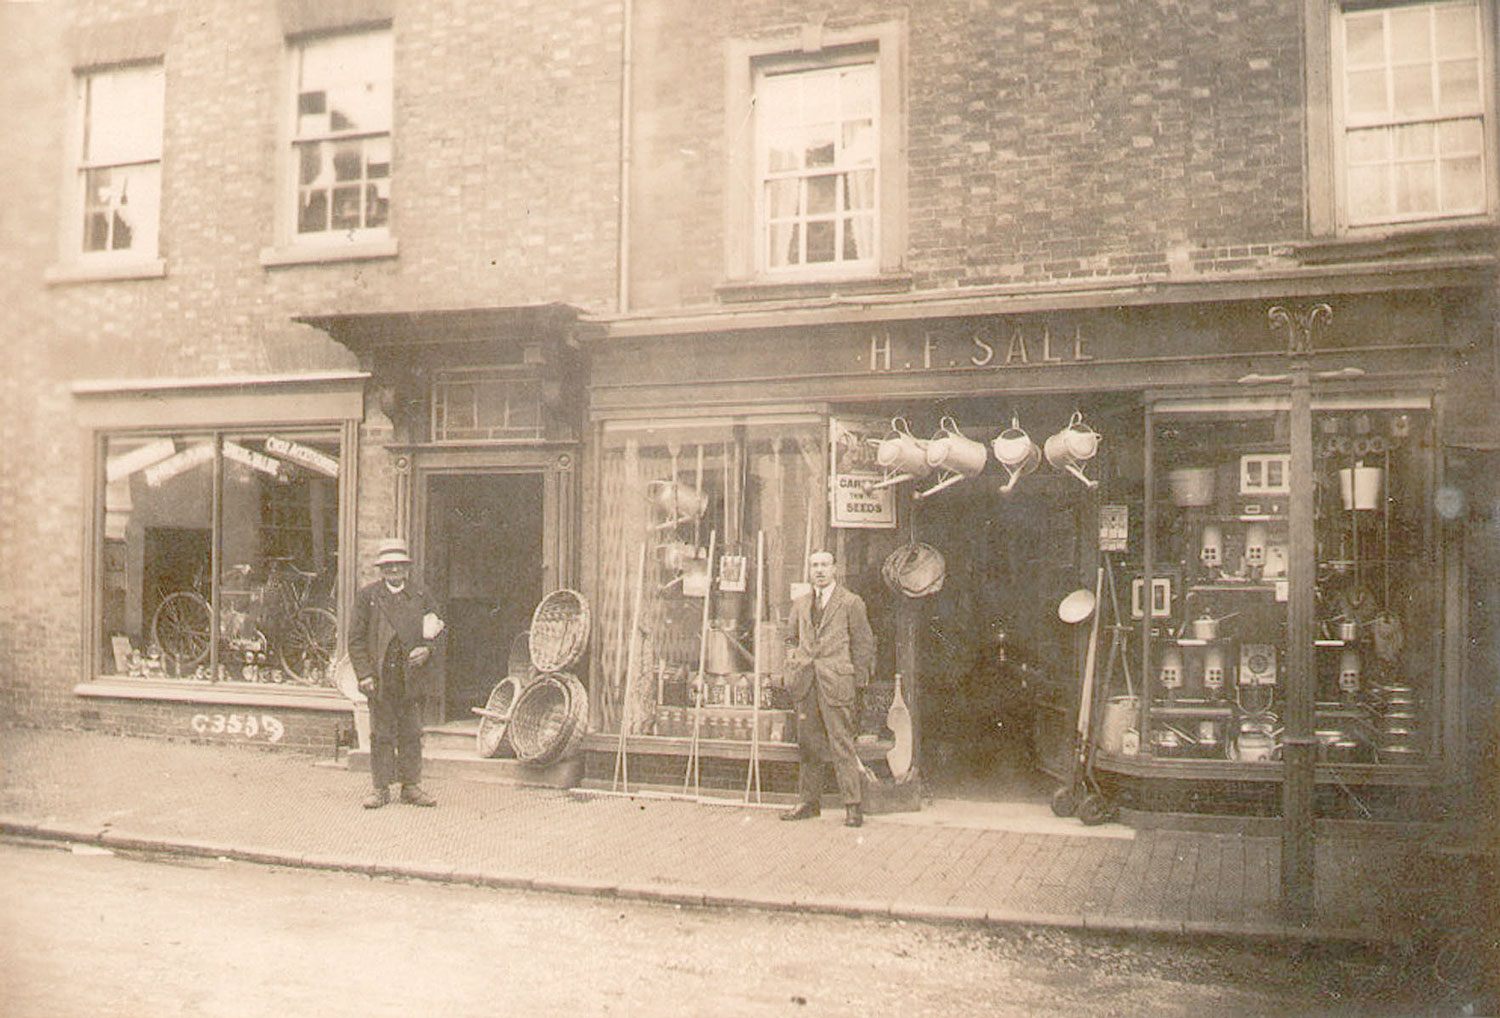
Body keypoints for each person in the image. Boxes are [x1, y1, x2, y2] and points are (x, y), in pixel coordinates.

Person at [781, 549, 877, 828]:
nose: (820, 570)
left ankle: (853, 806)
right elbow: (790, 638)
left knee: (841, 743)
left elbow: (863, 644)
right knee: (808, 745)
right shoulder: (800, 604)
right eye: (814, 565)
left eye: (824, 565)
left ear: (835, 569)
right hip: (806, 683)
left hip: (837, 683)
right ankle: (809, 803)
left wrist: (857, 681)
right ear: (809, 570)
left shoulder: (850, 602)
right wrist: (793, 663)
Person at [348, 538, 444, 809]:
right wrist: (365, 674)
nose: (393, 570)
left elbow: (438, 629)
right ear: (381, 569)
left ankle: (411, 787)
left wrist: (427, 650)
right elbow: (355, 640)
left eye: (399, 565)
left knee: (411, 732)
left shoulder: (421, 595)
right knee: (381, 734)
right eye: (388, 566)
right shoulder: (368, 597)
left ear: (407, 568)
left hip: (411, 677)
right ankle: (380, 789)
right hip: (380, 678)